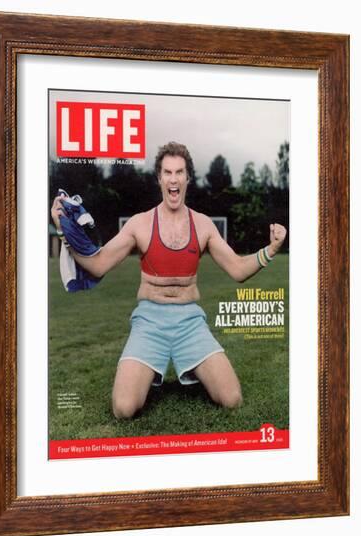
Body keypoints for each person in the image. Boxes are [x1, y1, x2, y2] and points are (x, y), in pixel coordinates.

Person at [51, 142, 287, 419]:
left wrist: (270, 250)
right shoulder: (139, 223)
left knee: (232, 398)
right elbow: (99, 264)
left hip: (190, 321)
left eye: (179, 173)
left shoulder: (203, 224)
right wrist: (62, 228)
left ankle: (193, 369)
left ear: (188, 178)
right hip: (150, 321)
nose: (173, 179)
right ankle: (149, 369)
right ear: (159, 178)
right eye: (167, 173)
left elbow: (237, 269)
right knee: (124, 408)